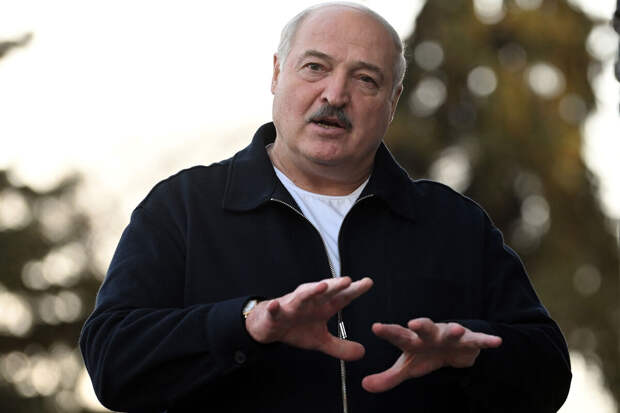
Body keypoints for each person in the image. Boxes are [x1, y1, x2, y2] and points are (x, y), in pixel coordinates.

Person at [80, 3, 571, 412]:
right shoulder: (183, 207)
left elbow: (550, 373)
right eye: (315, 67)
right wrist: (246, 323)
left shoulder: (454, 223)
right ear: (277, 73)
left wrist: (470, 353)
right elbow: (113, 362)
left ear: (393, 100)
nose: (335, 95)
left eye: (366, 79)